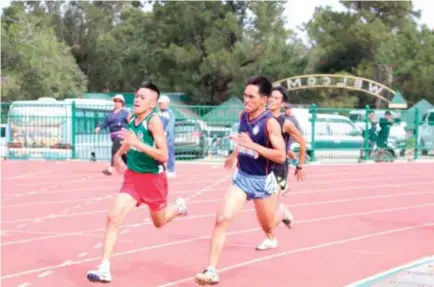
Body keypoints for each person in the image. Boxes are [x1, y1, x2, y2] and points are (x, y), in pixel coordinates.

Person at [86, 82, 188, 284]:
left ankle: (179, 208)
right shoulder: (131, 117)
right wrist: (118, 155)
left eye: (143, 97)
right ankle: (104, 267)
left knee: (159, 222)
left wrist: (137, 144)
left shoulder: (154, 121)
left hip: (153, 181)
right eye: (137, 96)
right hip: (132, 178)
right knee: (113, 218)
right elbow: (128, 139)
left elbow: (164, 155)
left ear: (152, 104)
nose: (138, 100)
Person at [194, 76, 291, 285]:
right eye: (244, 95)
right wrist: (234, 154)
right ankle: (211, 270)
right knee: (222, 219)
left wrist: (254, 147)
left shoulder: (270, 123)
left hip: (262, 182)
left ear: (263, 100)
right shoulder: (243, 116)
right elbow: (243, 139)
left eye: (251, 96)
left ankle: (281, 213)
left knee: (269, 227)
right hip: (242, 178)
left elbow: (281, 156)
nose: (245, 100)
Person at [255, 86, 306, 251]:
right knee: (263, 210)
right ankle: (278, 220)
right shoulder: (262, 118)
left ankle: (273, 231)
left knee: (268, 217)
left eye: (277, 98)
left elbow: (302, 142)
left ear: (282, 103)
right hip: (262, 167)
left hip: (277, 169)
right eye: (271, 97)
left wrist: (300, 165)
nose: (272, 100)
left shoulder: (286, 123)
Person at [95, 94, 130, 175]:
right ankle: (131, 168)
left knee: (114, 150)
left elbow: (131, 122)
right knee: (122, 153)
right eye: (115, 101)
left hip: (121, 134)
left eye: (119, 101)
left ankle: (110, 169)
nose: (117, 103)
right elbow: (105, 122)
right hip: (113, 135)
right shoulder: (110, 113)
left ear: (122, 103)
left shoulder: (125, 113)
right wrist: (99, 127)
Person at [158, 95, 176, 177]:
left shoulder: (170, 113)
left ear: (167, 103)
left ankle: (171, 170)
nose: (160, 105)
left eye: (162, 103)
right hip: (159, 136)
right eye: (160, 103)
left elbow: (170, 125)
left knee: (169, 152)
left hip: (168, 137)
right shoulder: (158, 113)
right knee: (158, 152)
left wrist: (166, 132)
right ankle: (160, 167)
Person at [283, 102, 302, 167]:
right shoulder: (282, 116)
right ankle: (287, 159)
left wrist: (298, 138)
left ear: (291, 109)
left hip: (290, 138)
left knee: (286, 149)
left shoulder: (294, 119)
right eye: (285, 109)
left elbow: (299, 130)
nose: (286, 110)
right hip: (281, 137)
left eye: (288, 109)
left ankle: (293, 159)